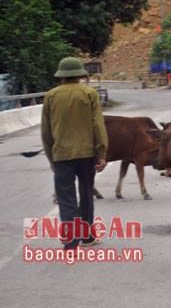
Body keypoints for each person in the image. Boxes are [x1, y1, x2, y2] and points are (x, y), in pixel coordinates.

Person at [41, 57, 108, 249]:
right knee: (86, 193)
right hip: (87, 154)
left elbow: (46, 131)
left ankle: (70, 241)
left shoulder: (51, 96)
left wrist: (51, 156)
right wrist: (101, 152)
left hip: (61, 155)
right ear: (80, 75)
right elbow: (98, 125)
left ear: (61, 76)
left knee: (66, 197)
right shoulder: (89, 93)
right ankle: (87, 236)